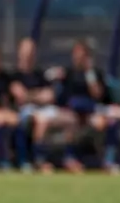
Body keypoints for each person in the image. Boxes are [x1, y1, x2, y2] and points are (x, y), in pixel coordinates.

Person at [11, 38, 82, 174]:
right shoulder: (15, 75)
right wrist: (38, 96)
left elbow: (50, 95)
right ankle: (40, 159)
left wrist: (31, 95)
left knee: (71, 119)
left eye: (31, 52)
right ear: (20, 53)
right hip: (26, 111)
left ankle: (69, 158)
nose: (29, 55)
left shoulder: (39, 74)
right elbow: (21, 96)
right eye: (26, 52)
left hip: (44, 108)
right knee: (42, 120)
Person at [56, 40, 120, 174]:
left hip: (91, 113)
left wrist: (89, 74)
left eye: (83, 55)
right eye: (77, 54)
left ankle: (108, 161)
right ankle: (70, 159)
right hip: (72, 114)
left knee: (107, 122)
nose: (79, 58)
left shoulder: (95, 74)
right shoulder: (67, 74)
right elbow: (62, 99)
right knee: (70, 122)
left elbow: (99, 95)